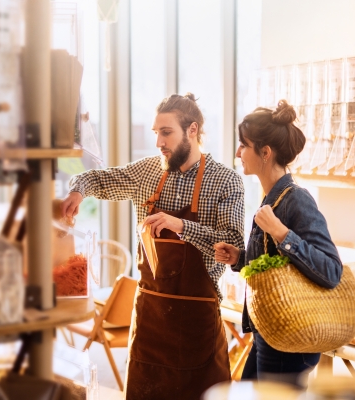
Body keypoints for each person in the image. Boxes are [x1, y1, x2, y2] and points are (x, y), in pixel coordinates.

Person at [61, 93, 245, 400]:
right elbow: (97, 179)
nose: (159, 141)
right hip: (151, 321)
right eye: (156, 133)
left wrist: (181, 225)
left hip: (197, 324)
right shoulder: (148, 172)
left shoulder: (225, 181)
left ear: (193, 130)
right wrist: (79, 191)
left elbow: (233, 246)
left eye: (166, 132)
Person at [214, 100, 342, 388]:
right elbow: (277, 268)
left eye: (243, 145)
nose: (238, 153)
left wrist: (282, 233)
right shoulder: (271, 198)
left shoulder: (296, 199)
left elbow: (331, 270)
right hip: (270, 333)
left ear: (265, 153)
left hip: (290, 342)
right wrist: (239, 258)